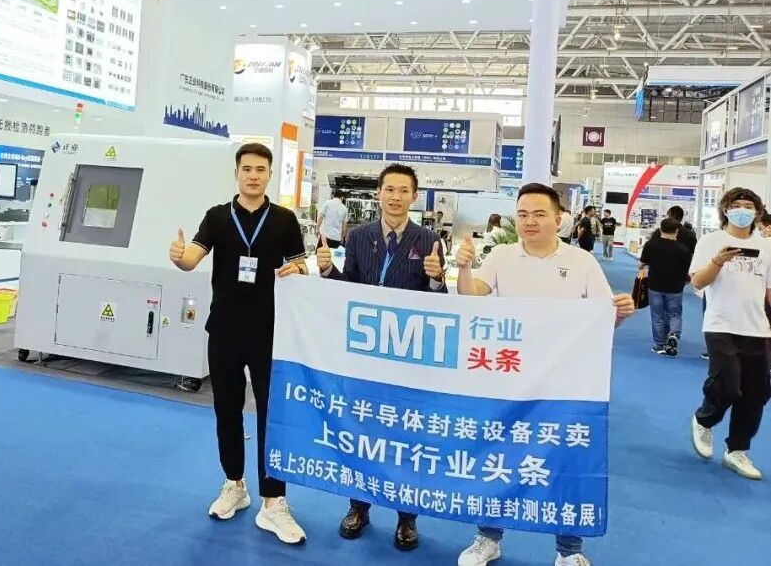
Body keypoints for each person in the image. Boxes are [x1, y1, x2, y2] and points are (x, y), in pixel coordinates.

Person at [455, 182, 634, 566]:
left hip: (565, 383)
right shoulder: (501, 255)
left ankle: (569, 550)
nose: (529, 221)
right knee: (500, 457)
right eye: (522, 214)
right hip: (510, 378)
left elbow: (603, 320)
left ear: (559, 218)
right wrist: (465, 268)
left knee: (565, 461)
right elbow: (471, 299)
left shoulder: (582, 262)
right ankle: (487, 537)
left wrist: (619, 312)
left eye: (539, 214)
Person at [168, 143, 309, 543]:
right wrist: (179, 257)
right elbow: (192, 259)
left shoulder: (284, 219)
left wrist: (298, 269)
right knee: (226, 411)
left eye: (260, 169)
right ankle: (235, 484)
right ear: (236, 173)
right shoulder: (217, 216)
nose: (253, 175)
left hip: (270, 333)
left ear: (269, 175)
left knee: (271, 416)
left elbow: (300, 265)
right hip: (225, 329)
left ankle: (274, 501)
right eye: (246, 168)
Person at [316, 163, 447, 552]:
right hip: (365, 358)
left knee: (407, 438)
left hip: (407, 359)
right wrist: (328, 271)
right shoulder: (359, 237)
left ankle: (407, 517)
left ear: (414, 196)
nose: (395, 197)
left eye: (403, 190)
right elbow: (349, 291)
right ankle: (359, 507)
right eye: (389, 189)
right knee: (363, 434)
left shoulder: (429, 241)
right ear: (379, 193)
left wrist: (437, 279)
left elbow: (440, 305)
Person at [689, 187, 771, 481]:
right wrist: (718, 261)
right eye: (736, 205)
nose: (742, 210)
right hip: (720, 324)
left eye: (748, 205)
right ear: (725, 210)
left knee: (756, 393)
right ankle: (704, 419)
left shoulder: (767, 246)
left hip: (758, 328)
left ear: (757, 213)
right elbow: (697, 282)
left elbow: (769, 291)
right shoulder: (711, 241)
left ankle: (737, 449)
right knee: (728, 383)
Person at [639, 217, 693, 357]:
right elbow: (688, 270)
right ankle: (673, 334)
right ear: (677, 231)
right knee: (674, 314)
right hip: (676, 287)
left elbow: (641, 263)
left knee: (657, 315)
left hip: (655, 285)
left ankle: (660, 345)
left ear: (660, 229)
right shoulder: (683, 249)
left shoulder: (651, 245)